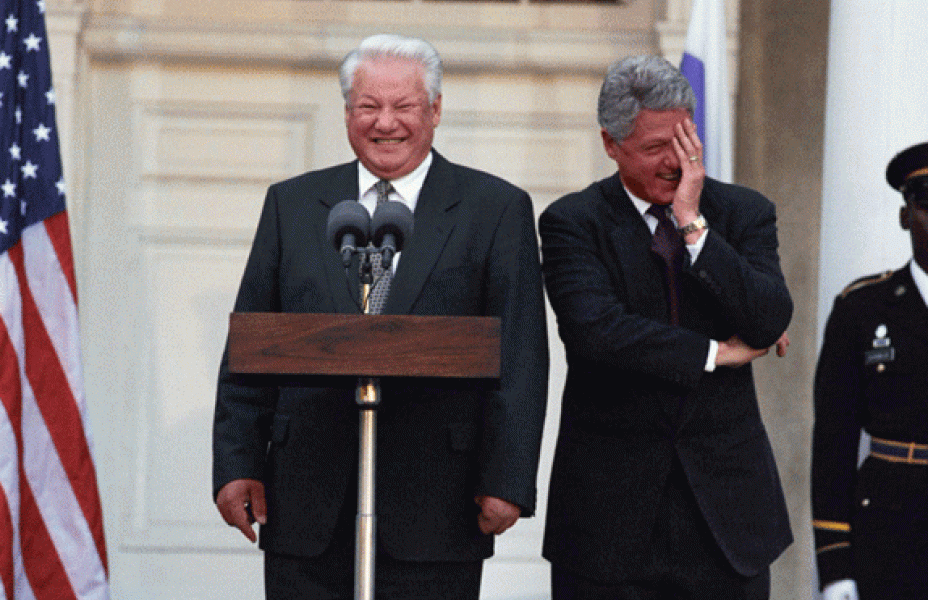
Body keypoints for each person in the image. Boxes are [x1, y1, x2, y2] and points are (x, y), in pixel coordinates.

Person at [211, 34, 549, 599]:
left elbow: (520, 354)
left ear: (435, 110)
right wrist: (236, 463)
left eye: (404, 107)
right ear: (347, 112)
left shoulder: (495, 208)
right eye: (368, 106)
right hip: (307, 499)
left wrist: (508, 480)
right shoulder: (292, 204)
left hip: (437, 502)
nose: (385, 122)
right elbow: (251, 344)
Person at [538, 55, 793, 600]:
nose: (676, 162)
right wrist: (712, 353)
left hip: (727, 521)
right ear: (611, 144)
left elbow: (770, 318)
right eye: (656, 148)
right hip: (609, 524)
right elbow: (597, 333)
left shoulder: (744, 212)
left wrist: (693, 225)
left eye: (684, 142)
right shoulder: (572, 223)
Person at [811, 141, 928, 600]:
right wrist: (835, 563)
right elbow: (834, 443)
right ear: (906, 215)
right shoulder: (861, 309)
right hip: (888, 535)